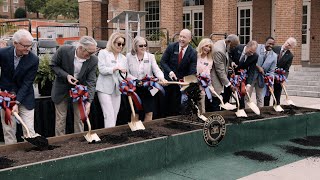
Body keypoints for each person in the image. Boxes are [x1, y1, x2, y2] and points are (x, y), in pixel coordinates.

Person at [51, 36, 98, 136]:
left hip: (79, 92)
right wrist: (66, 76)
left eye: (93, 53)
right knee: (60, 120)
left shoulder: (93, 60)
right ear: (80, 48)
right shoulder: (63, 50)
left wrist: (89, 102)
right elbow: (53, 65)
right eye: (89, 53)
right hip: (61, 89)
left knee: (80, 119)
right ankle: (60, 143)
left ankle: (79, 141)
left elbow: (91, 81)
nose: (90, 56)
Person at [0, 29, 39, 144]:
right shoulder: (2, 53)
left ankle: (31, 156)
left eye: (29, 46)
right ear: (15, 43)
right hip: (6, 96)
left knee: (29, 130)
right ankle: (12, 158)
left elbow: (27, 83)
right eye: (25, 46)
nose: (28, 48)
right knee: (9, 130)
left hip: (25, 97)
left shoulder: (33, 60)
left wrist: (17, 102)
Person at [126, 36, 167, 122]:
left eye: (145, 45)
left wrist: (162, 78)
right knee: (135, 112)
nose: (143, 47)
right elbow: (126, 73)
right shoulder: (129, 56)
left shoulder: (150, 56)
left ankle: (147, 132)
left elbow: (156, 69)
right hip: (134, 87)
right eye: (141, 46)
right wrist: (136, 80)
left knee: (149, 112)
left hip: (148, 88)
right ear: (135, 46)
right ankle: (135, 133)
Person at [160, 29, 197, 116]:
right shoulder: (171, 47)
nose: (181, 39)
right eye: (180, 36)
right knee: (165, 106)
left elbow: (192, 71)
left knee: (176, 108)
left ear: (189, 39)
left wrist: (186, 81)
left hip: (180, 85)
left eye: (184, 37)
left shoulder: (193, 53)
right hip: (168, 82)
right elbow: (163, 62)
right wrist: (170, 72)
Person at [96, 32, 128, 128]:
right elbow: (101, 69)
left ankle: (110, 135)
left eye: (122, 44)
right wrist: (114, 69)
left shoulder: (123, 58)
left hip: (117, 89)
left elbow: (124, 75)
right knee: (108, 114)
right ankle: (109, 136)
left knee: (114, 114)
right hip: (104, 88)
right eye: (118, 43)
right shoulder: (103, 53)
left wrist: (125, 78)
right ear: (112, 42)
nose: (121, 46)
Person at [210, 34, 240, 111]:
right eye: (233, 46)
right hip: (216, 80)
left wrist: (230, 63)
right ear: (229, 42)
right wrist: (230, 85)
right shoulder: (219, 51)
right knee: (215, 103)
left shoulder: (224, 44)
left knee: (222, 100)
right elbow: (220, 71)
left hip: (221, 78)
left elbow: (226, 58)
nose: (234, 48)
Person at [264, 37, 297, 106]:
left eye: (289, 45)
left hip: (279, 77)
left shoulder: (290, 56)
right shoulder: (275, 48)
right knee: (267, 95)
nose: (287, 45)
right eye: (287, 42)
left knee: (277, 95)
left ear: (291, 47)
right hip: (269, 75)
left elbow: (286, 69)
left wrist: (284, 78)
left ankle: (276, 107)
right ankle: (265, 108)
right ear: (285, 41)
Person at [247, 37, 277, 107]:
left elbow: (272, 71)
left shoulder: (274, 56)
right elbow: (249, 60)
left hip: (261, 79)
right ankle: (246, 112)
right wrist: (258, 67)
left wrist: (271, 83)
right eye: (269, 43)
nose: (271, 46)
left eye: (273, 44)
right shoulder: (257, 47)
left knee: (260, 98)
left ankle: (260, 113)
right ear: (265, 42)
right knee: (247, 96)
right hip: (251, 76)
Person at [229, 40, 259, 109]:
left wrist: (248, 85)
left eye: (253, 52)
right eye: (251, 51)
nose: (251, 54)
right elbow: (228, 56)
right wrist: (231, 62)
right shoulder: (238, 48)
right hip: (231, 74)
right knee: (227, 94)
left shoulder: (255, 56)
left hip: (241, 76)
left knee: (241, 95)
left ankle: (240, 111)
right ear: (247, 46)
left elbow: (252, 70)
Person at [196, 38, 214, 114]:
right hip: (192, 82)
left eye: (209, 47)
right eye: (206, 46)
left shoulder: (210, 60)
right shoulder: (195, 55)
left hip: (202, 85)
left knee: (201, 106)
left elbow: (208, 73)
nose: (208, 48)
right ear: (202, 45)